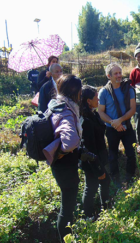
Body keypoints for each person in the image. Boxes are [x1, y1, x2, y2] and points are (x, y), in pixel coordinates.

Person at [42, 74, 82, 242]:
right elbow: (71, 141)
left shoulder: (54, 104)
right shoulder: (65, 110)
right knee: (67, 207)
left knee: (67, 203)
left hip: (58, 165)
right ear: (75, 92)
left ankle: (66, 237)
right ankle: (66, 239)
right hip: (65, 165)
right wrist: (63, 152)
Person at [98, 63, 137, 185]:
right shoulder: (104, 92)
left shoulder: (128, 89)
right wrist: (113, 123)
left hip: (127, 127)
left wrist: (120, 120)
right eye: (116, 73)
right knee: (113, 156)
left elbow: (132, 109)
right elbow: (101, 112)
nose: (119, 75)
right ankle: (116, 181)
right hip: (111, 129)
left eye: (120, 72)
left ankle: (129, 178)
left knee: (131, 154)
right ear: (109, 76)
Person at [80, 85, 110, 218]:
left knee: (104, 182)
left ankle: (106, 209)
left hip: (98, 159)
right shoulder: (86, 121)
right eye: (96, 97)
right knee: (91, 188)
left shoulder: (93, 114)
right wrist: (98, 169)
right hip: (92, 161)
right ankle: (88, 216)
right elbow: (90, 148)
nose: (98, 100)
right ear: (88, 101)